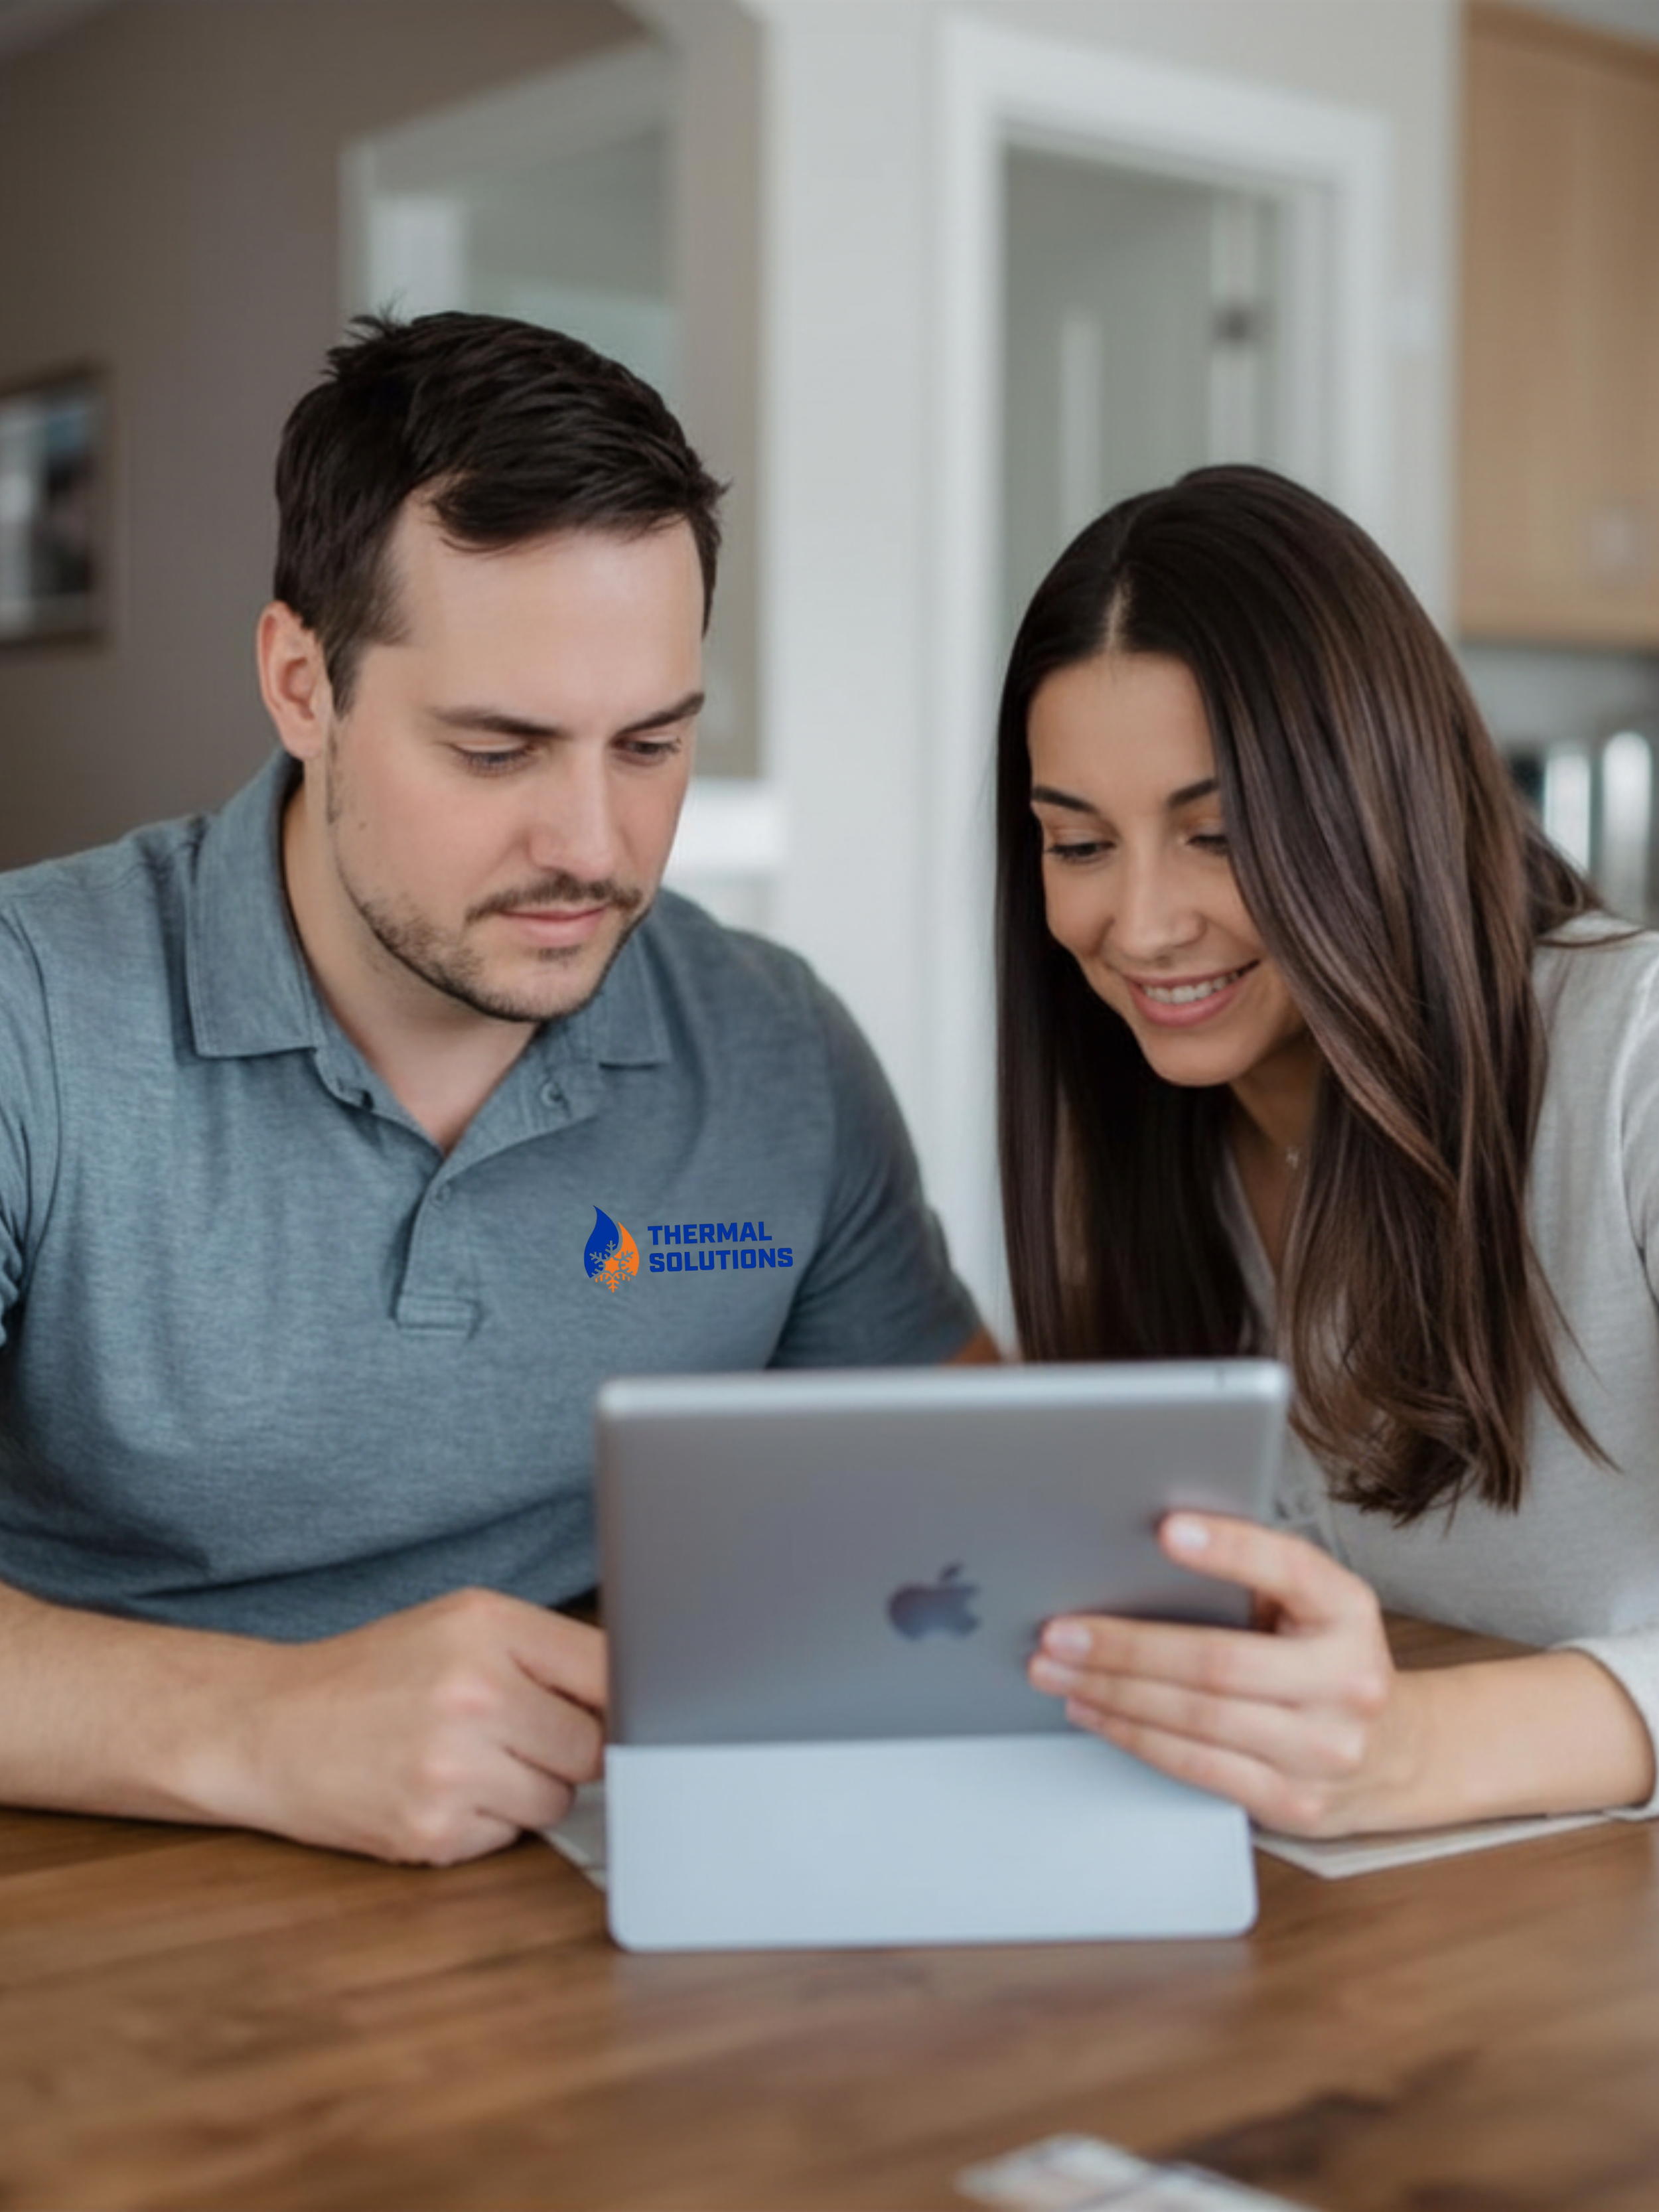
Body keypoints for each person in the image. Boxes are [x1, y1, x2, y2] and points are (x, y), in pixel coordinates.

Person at [0, 312, 986, 1865]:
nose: (595, 846)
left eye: (650, 744)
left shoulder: (773, 1048)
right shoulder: (30, 1016)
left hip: (576, 1890)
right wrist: (261, 1726)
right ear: (300, 683)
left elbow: (975, 1494)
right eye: (497, 749)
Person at [999, 464, 1659, 1838]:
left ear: (1379, 797)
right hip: (1353, 1951)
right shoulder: (1145, 1146)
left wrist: (1405, 1751)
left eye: (1218, 834)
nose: (1138, 924)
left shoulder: (1631, 1058)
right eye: (1074, 842)